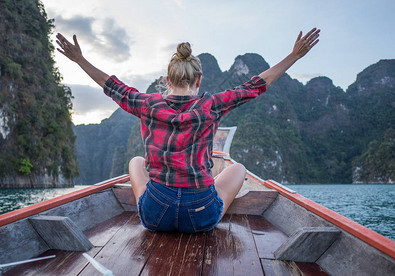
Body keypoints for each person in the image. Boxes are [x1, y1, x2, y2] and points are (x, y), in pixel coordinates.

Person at [56, 28, 320, 233]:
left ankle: (149, 204)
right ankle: (204, 202)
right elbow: (255, 85)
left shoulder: (147, 104)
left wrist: (79, 60)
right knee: (238, 169)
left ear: (167, 80)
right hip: (200, 216)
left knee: (136, 161)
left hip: (155, 215)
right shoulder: (212, 105)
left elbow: (111, 85)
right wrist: (294, 56)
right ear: (199, 80)